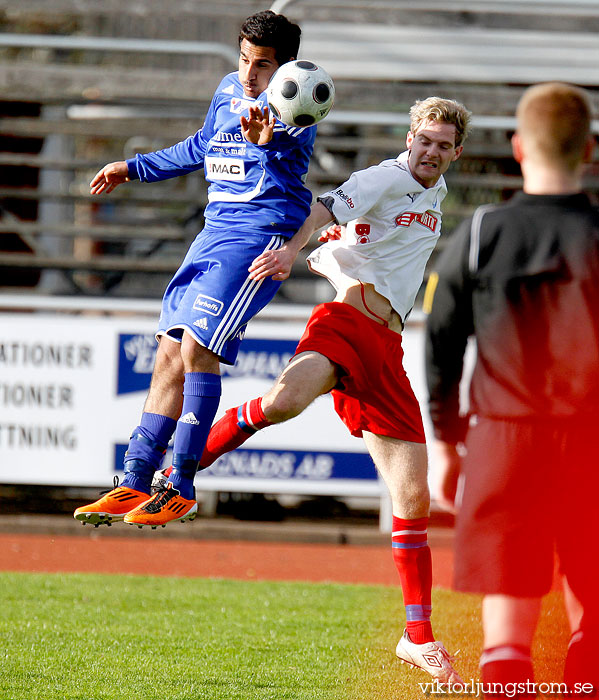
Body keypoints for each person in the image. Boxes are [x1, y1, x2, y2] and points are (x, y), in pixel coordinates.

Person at [185, 96, 471, 684]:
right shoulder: (385, 176)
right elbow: (322, 206)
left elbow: (353, 233)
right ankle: (178, 476)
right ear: (409, 138)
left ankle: (417, 638)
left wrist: (331, 256)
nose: (432, 151)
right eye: (425, 140)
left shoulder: (433, 193)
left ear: (455, 153)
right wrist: (294, 250)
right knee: (284, 403)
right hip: (345, 326)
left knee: (413, 499)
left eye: (444, 145)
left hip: (385, 350)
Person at [74, 10, 316, 528]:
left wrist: (264, 144)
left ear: (287, 68)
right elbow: (202, 147)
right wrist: (133, 167)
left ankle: (179, 483)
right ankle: (136, 478)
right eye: (245, 59)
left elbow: (287, 160)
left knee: (196, 349)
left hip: (257, 239)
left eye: (265, 65)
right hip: (212, 235)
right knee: (167, 354)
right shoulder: (229, 88)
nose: (251, 74)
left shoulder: (296, 108)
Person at [424, 82, 599, 697]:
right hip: (590, 443)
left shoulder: (480, 233)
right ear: (590, 150)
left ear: (520, 148)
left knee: (505, 638)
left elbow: (441, 342)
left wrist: (446, 444)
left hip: (505, 443)